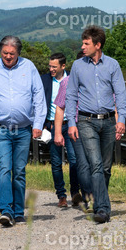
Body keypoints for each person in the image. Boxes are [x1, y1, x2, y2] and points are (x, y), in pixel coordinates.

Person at [0, 36, 46, 227]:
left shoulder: (29, 67)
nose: (8, 57)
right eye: (5, 53)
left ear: (18, 53)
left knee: (19, 171)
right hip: (0, 129)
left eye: (12, 54)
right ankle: (6, 210)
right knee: (5, 168)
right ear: (0, 52)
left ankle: (18, 211)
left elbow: (39, 95)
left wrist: (38, 123)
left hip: (23, 129)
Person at [65, 26, 126, 224]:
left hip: (109, 121)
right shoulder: (77, 66)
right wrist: (71, 123)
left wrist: (122, 119)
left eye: (86, 44)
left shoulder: (113, 65)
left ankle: (100, 199)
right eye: (82, 43)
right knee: (96, 164)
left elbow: (120, 93)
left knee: (106, 168)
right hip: (85, 121)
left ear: (97, 45)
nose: (82, 47)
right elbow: (71, 95)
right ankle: (102, 208)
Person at [52, 65, 92, 210]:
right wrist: (56, 130)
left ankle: (91, 194)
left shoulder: (98, 79)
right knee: (76, 161)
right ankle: (77, 193)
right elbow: (59, 107)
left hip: (92, 124)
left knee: (91, 162)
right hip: (70, 125)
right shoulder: (66, 82)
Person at [42, 53, 74, 208]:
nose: (51, 69)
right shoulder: (44, 80)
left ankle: (76, 193)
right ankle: (61, 195)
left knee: (75, 161)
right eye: (50, 66)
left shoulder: (73, 79)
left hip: (71, 124)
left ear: (63, 66)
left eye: (54, 66)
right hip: (52, 125)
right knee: (56, 162)